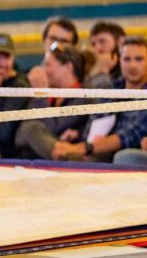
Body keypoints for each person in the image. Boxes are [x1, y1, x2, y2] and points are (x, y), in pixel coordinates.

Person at [53, 36, 147, 164]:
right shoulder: (112, 88)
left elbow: (128, 136)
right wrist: (79, 135)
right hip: (97, 151)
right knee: (58, 147)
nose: (132, 65)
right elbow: (96, 121)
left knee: (124, 156)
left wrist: (83, 148)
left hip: (125, 158)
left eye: (139, 59)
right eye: (127, 59)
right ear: (120, 61)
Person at [16, 44, 97, 160]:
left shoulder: (83, 98)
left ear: (68, 67)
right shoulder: (51, 97)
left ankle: (66, 156)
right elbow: (20, 136)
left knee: (31, 127)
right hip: (37, 157)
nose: (42, 69)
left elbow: (50, 128)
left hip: (73, 160)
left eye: (47, 64)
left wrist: (40, 92)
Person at [87, 21, 125, 88]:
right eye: (93, 44)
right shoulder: (88, 69)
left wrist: (101, 72)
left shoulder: (130, 72)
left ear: (120, 41)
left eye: (102, 41)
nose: (97, 48)